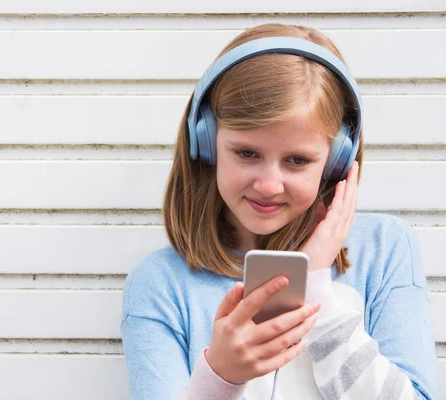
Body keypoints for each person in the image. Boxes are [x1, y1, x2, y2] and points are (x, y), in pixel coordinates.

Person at [120, 23, 439, 399]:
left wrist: (317, 284)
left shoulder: (383, 250)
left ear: (336, 163)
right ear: (206, 142)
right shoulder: (161, 284)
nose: (269, 185)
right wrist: (220, 377)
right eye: (247, 153)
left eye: (297, 160)